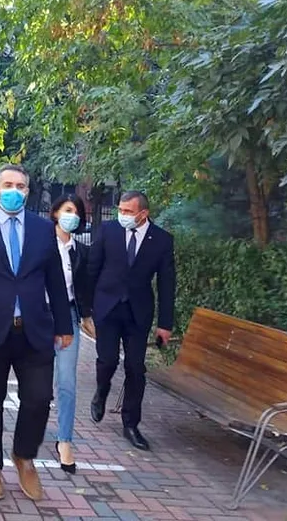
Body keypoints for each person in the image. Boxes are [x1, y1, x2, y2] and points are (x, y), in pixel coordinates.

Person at [0, 164, 73, 502]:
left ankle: (24, 456)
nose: (14, 191)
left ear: (27, 191)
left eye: (20, 186)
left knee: (39, 398)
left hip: (34, 331)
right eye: (7, 184)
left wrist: (64, 326)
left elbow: (55, 279)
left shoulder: (42, 228)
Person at [88, 191, 175, 452]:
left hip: (138, 312)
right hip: (107, 307)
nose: (123, 215)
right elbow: (92, 268)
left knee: (135, 368)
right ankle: (101, 391)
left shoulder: (161, 240)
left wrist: (165, 324)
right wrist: (86, 308)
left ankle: (131, 424)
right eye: (121, 210)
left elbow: (167, 283)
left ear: (143, 214)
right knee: (108, 361)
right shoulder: (108, 231)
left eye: (128, 211)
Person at [48, 194, 93, 474]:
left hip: (68, 318)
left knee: (66, 382)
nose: (72, 216)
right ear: (55, 213)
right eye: (67, 210)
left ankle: (64, 440)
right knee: (39, 382)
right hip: (40, 317)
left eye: (76, 212)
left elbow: (84, 289)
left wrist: (87, 317)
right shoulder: (40, 245)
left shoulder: (81, 252)